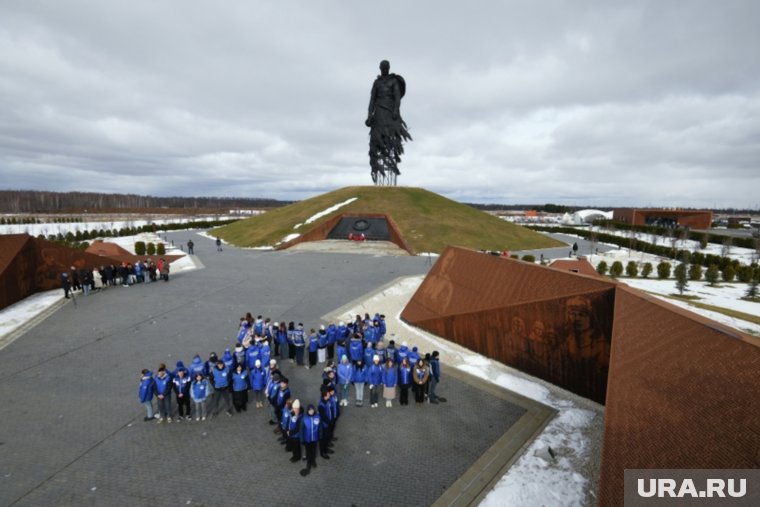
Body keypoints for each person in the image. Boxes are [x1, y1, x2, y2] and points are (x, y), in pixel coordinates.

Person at [365, 60, 411, 184]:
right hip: (379, 111)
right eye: (383, 67)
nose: (384, 69)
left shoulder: (393, 81)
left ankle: (392, 162)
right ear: (380, 68)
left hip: (390, 110)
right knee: (377, 139)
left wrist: (396, 110)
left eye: (386, 67)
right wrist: (369, 115)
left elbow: (397, 97)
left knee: (391, 139)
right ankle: (378, 169)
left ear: (389, 68)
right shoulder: (377, 83)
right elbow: (372, 100)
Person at [300, 404, 320, 476]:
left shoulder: (317, 417)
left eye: (312, 410)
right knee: (308, 451)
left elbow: (320, 427)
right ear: (307, 411)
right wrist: (302, 439)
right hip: (307, 439)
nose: (311, 411)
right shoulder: (304, 418)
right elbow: (301, 429)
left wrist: (320, 435)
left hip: (314, 438)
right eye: (310, 410)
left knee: (314, 450)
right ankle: (309, 462)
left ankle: (313, 461)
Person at [318, 387, 335, 459]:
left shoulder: (328, 400)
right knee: (323, 440)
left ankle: (326, 448)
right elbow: (323, 417)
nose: (329, 395)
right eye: (328, 394)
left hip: (329, 423)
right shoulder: (321, 405)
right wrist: (329, 422)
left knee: (327, 438)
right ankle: (323, 452)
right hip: (324, 425)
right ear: (325, 395)